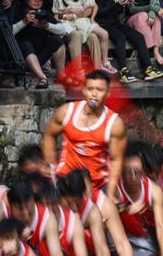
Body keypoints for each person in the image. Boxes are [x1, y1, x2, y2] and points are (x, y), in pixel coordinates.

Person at [42, 70, 127, 202]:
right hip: (66, 180)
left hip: (97, 184)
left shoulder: (114, 124)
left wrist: (111, 190)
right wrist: (50, 165)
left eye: (99, 90)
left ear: (108, 93)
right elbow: (49, 135)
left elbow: (116, 159)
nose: (94, 94)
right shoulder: (66, 112)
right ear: (84, 91)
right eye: (90, 89)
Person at [93, 0, 163, 82]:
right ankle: (124, 72)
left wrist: (125, 5)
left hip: (116, 23)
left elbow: (118, 12)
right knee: (120, 38)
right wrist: (116, 5)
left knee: (139, 37)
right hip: (103, 24)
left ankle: (148, 69)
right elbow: (99, 12)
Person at [116, 143, 163, 256]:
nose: (133, 177)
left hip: (148, 235)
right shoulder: (115, 189)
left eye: (137, 172)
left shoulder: (154, 190)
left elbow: (160, 226)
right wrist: (126, 209)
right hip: (125, 238)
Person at [12, 0, 66, 89]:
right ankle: (42, 78)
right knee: (26, 44)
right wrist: (24, 22)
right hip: (20, 57)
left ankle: (61, 76)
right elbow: (7, 34)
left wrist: (47, 26)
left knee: (56, 40)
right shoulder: (18, 11)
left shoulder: (44, 14)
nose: (37, 1)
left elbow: (62, 31)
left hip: (40, 55)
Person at [123, 0, 163, 66]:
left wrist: (151, 14)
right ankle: (146, 51)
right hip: (131, 20)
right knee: (143, 16)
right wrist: (151, 8)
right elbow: (132, 9)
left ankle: (156, 52)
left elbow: (156, 5)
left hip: (148, 18)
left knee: (157, 18)